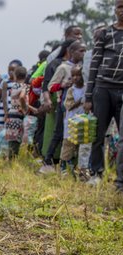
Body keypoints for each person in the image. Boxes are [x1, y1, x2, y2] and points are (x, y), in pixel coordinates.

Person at [85, 0, 123, 191]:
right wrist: (88, 96)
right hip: (103, 88)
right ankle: (96, 173)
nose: (122, 10)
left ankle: (120, 181)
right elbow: (94, 64)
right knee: (98, 134)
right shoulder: (105, 33)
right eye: (120, 6)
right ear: (115, 9)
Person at [39, 40, 86, 174]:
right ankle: (48, 159)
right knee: (60, 133)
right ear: (71, 52)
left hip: (81, 107)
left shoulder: (84, 67)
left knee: (79, 135)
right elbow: (50, 86)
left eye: (85, 51)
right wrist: (63, 85)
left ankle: (75, 165)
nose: (84, 53)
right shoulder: (63, 67)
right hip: (65, 105)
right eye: (81, 51)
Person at [60, 66, 88, 177]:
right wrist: (81, 101)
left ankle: (79, 169)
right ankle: (65, 168)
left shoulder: (86, 88)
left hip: (83, 122)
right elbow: (68, 106)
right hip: (71, 122)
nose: (76, 78)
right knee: (68, 145)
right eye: (73, 76)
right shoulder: (71, 90)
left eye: (78, 75)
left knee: (81, 146)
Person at [3, 66, 28, 160]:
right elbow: (22, 98)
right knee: (16, 141)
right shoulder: (24, 86)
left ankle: (9, 160)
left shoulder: (14, 86)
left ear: (15, 76)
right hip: (18, 116)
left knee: (11, 140)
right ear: (25, 76)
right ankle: (11, 162)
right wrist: (25, 109)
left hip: (11, 114)